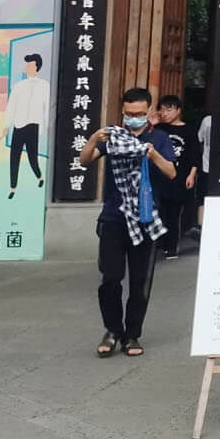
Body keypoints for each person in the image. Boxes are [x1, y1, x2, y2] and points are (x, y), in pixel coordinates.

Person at [79, 87, 177, 359]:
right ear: (122, 112)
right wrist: (91, 140)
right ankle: (112, 330)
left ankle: (132, 334)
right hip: (113, 216)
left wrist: (153, 154)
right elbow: (85, 160)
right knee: (110, 277)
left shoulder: (159, 138)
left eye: (139, 113)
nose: (134, 117)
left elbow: (171, 172)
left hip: (146, 218)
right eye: (129, 113)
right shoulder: (112, 136)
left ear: (149, 112)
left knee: (140, 281)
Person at [153, 95, 197, 259]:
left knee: (173, 213)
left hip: (180, 176)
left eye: (169, 109)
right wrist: (152, 124)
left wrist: (192, 174)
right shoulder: (159, 129)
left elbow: (194, 154)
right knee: (158, 211)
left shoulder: (189, 129)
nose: (165, 113)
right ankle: (158, 243)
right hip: (159, 176)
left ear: (178, 111)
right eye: (162, 110)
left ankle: (171, 246)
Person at [5, 52, 48, 197]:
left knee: (32, 157)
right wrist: (7, 124)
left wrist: (46, 126)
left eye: (30, 64)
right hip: (19, 125)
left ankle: (40, 176)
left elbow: (47, 107)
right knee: (14, 157)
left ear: (37, 67)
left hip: (33, 125)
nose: (27, 67)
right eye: (27, 65)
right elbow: (12, 105)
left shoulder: (44, 86)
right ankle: (13, 188)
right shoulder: (19, 86)